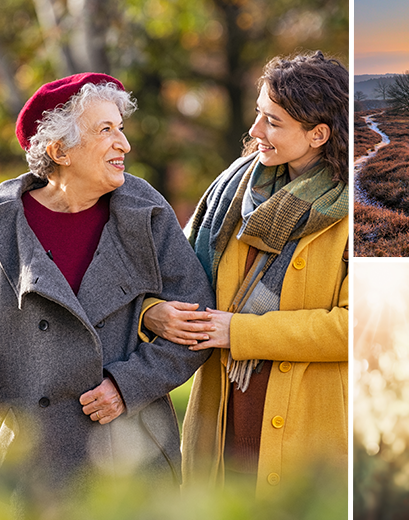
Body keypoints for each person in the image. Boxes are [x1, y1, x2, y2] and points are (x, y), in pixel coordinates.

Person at [1, 73, 214, 509]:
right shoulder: (4, 223)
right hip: (35, 459)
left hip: (133, 451)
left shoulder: (145, 210)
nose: (124, 144)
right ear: (59, 150)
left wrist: (127, 384)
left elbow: (196, 321)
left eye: (121, 128)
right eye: (106, 130)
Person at [142, 50, 349, 499]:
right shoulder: (231, 194)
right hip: (222, 416)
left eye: (272, 122)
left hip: (309, 432)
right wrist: (154, 312)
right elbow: (168, 277)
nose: (255, 132)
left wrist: (241, 332)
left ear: (318, 134)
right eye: (258, 115)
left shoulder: (359, 216)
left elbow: (357, 326)